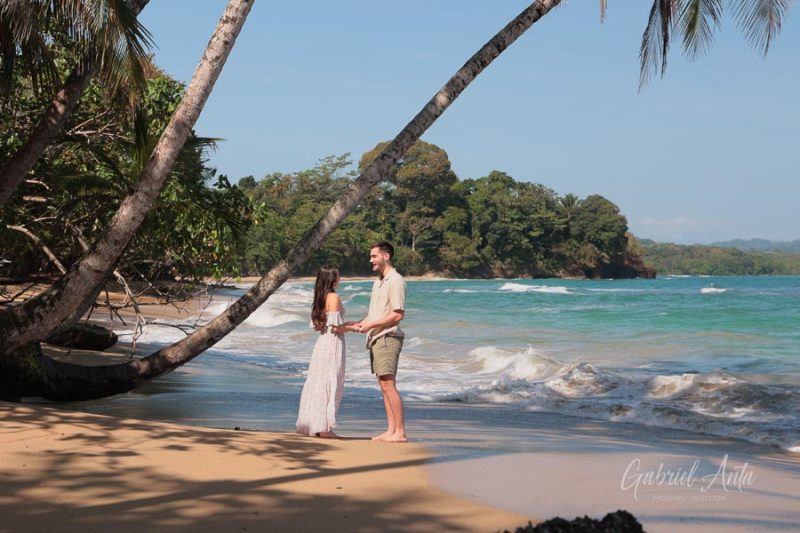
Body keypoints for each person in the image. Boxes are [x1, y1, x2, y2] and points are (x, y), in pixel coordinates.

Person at [351, 241, 407, 443]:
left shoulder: (396, 280)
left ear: (386, 256)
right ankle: (390, 429)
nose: (371, 260)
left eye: (374, 256)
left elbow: (397, 314)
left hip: (388, 337)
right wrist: (358, 325)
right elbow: (373, 313)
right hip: (376, 337)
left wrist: (371, 324)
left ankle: (399, 432)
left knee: (389, 385)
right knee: (383, 385)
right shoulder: (378, 281)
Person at [296, 265, 353, 438]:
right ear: (333, 279)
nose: (340, 279)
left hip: (322, 342)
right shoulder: (333, 297)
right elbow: (336, 328)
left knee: (319, 382)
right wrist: (354, 326)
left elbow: (317, 326)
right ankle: (324, 428)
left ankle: (314, 424)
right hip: (332, 343)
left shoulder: (319, 298)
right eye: (338, 276)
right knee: (330, 381)